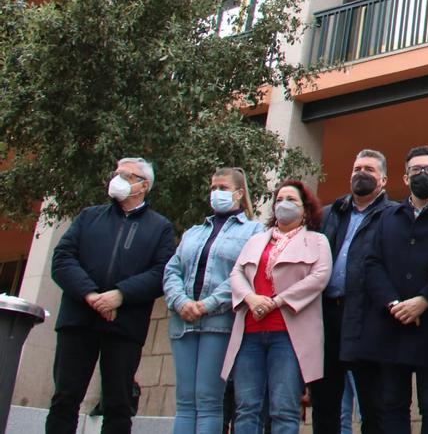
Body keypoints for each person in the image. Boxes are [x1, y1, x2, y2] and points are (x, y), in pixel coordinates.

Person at [46, 157, 176, 434]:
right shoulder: (88, 216)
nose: (116, 179)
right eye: (116, 173)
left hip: (124, 326)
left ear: (143, 186)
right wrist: (91, 294)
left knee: (118, 404)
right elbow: (62, 259)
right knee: (64, 398)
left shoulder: (160, 227)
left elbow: (161, 273)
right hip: (78, 319)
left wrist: (120, 295)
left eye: (126, 175)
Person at [222, 180, 332, 434]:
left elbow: (319, 277)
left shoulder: (317, 241)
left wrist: (277, 301)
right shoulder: (256, 240)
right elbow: (236, 273)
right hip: (249, 334)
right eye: (280, 199)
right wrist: (251, 298)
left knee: (284, 409)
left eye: (292, 200)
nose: (284, 204)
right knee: (246, 407)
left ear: (305, 208)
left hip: (289, 336)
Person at [359, 145, 428, 433]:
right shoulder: (387, 217)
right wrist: (392, 303)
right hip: (391, 323)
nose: (422, 175)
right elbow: (372, 263)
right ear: (404, 178)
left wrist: (424, 300)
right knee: (392, 403)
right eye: (415, 171)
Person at [164, 167, 264, 434]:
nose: (216, 193)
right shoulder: (193, 232)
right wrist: (180, 300)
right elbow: (172, 269)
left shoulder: (254, 231)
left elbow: (244, 273)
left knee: (209, 400)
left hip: (219, 323)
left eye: (223, 188)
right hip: (182, 322)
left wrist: (206, 304)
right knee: (185, 401)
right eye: (213, 188)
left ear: (239, 194)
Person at [312, 149, 396, 434]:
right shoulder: (328, 213)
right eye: (357, 168)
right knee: (325, 402)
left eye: (370, 170)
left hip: (369, 318)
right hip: (326, 317)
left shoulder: (394, 215)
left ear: (383, 180)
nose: (362, 174)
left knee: (374, 404)